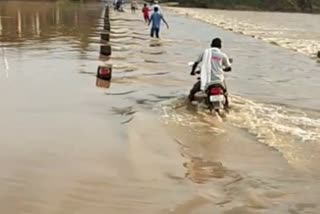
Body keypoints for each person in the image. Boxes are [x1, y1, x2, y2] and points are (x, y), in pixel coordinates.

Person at [189, 38, 232, 106]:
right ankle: (227, 104)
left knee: (193, 91)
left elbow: (196, 63)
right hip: (219, 80)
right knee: (225, 92)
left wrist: (192, 72)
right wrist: (222, 69)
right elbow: (229, 68)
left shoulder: (205, 53)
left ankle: (189, 106)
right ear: (220, 46)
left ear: (211, 45)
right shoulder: (223, 55)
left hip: (207, 80)